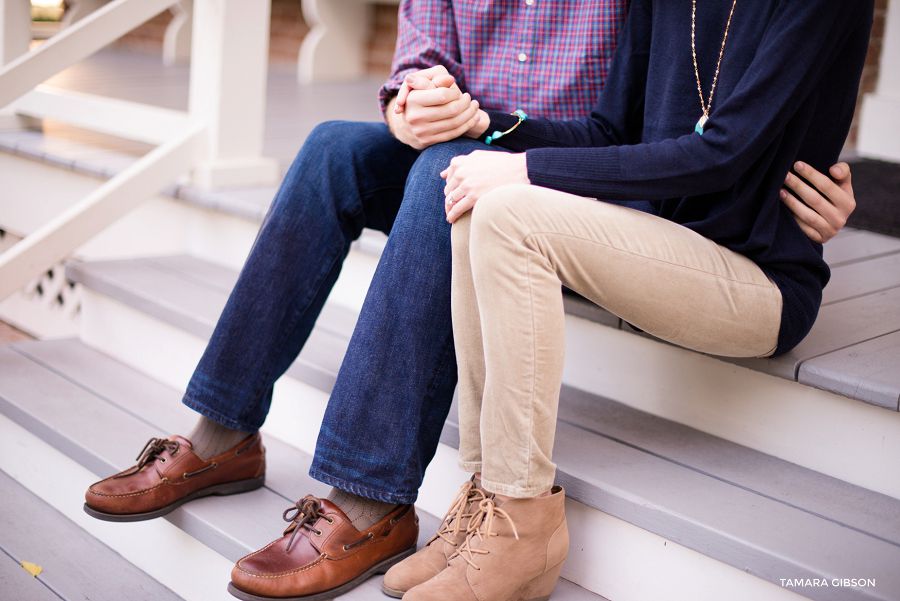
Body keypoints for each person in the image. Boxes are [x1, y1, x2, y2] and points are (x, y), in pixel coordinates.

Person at [82, 1, 856, 600]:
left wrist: (504, 152)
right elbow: (421, 59)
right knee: (334, 149)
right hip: (522, 158)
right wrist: (417, 104)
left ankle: (367, 499)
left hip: (582, 192)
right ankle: (221, 434)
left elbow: (724, 137)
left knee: (451, 176)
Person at [382, 1, 874, 600]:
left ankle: (523, 524)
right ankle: (490, 499)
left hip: (760, 280)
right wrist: (488, 124)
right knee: (476, 196)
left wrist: (527, 170)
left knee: (509, 206)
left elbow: (727, 153)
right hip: (660, 250)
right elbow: (609, 132)